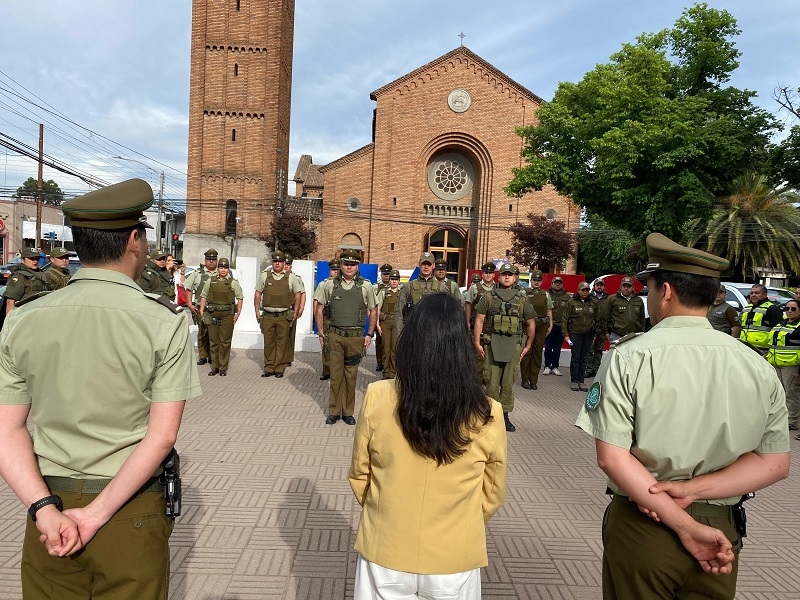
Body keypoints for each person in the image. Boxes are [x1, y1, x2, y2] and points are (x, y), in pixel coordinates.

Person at [0, 178, 201, 599]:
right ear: (134, 241)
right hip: (129, 508)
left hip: (48, 510)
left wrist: (42, 509)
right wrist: (94, 515)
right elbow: (162, 436)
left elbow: (7, 430)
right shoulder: (163, 322)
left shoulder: (22, 321)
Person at [576, 232, 790, 600]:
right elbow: (774, 463)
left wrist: (683, 524)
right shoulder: (756, 365)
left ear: (667, 292)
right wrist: (692, 492)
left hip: (647, 522)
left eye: (651, 288)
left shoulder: (630, 356)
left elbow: (612, 457)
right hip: (722, 532)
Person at [349, 292, 506, 600]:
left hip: (385, 549)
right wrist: (460, 523)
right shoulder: (488, 412)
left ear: (411, 340)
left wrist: (386, 513)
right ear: (461, 346)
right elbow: (492, 493)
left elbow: (360, 475)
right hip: (454, 555)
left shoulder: (377, 396)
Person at [314, 249, 377, 424]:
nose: (349, 267)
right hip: (335, 336)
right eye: (346, 264)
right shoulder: (328, 285)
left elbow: (373, 310)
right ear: (341, 265)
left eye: (353, 264)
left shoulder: (366, 286)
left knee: (351, 376)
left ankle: (348, 412)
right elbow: (318, 308)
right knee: (335, 376)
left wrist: (369, 334)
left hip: (356, 337)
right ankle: (334, 411)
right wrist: (321, 332)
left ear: (358, 266)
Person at [473, 263, 535, 432]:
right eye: (504, 274)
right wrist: (477, 341)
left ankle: (505, 416)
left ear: (515, 278)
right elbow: (479, 319)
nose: (507, 277)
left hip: (513, 345)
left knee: (507, 384)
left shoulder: (522, 298)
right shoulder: (488, 296)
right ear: (498, 277)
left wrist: (528, 345)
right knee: (491, 383)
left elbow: (530, 323)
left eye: (510, 274)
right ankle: (491, 415)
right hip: (492, 344)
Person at [255, 251, 302, 378]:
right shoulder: (264, 276)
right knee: (268, 342)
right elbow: (258, 293)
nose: (277, 264)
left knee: (282, 343)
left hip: (283, 316)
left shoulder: (291, 277)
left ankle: (279, 368)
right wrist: (256, 311)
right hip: (268, 316)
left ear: (283, 263)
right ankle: (269, 367)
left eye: (280, 262)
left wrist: (296, 311)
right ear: (272, 262)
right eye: (275, 261)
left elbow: (298, 294)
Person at [199, 257, 243, 376]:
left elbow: (240, 297)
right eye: (221, 267)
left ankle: (223, 367)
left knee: (225, 341)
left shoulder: (233, 282)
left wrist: (238, 313)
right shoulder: (210, 281)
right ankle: (215, 367)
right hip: (212, 313)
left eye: (226, 268)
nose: (223, 270)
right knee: (213, 341)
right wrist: (202, 311)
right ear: (218, 269)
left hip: (227, 315)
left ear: (228, 269)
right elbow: (203, 295)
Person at [766, 298, 800, 434]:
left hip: (791, 365)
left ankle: (792, 421)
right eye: (787, 309)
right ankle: (781, 419)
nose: (789, 311)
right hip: (776, 362)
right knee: (778, 393)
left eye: (793, 309)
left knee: (791, 393)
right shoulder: (781, 323)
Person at [396, 252, 448, 334]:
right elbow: (399, 313)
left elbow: (447, 315)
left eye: (429, 264)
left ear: (433, 266)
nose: (426, 267)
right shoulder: (408, 287)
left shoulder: (441, 288)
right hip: (413, 333)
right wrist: (400, 336)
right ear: (419, 264)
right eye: (424, 264)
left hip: (434, 333)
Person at [519, 269, 552, 390]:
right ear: (531, 280)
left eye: (538, 280)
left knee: (537, 353)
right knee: (527, 352)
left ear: (541, 281)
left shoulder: (545, 294)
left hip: (541, 325)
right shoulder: (524, 292)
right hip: (527, 325)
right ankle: (524, 379)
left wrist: (551, 324)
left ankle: (533, 380)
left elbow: (549, 310)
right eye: (534, 280)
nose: (536, 282)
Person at [563, 281, 599, 391]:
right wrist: (566, 335)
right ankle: (574, 381)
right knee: (575, 357)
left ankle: (581, 381)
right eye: (583, 290)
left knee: (584, 358)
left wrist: (595, 334)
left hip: (588, 334)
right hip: (575, 333)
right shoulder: (571, 302)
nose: (585, 292)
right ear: (578, 290)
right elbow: (565, 319)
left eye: (587, 290)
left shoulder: (594, 303)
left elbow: (597, 320)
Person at [185, 249, 218, 365]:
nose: (211, 262)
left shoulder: (222, 273)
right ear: (205, 260)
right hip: (201, 308)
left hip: (217, 308)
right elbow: (188, 288)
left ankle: (213, 356)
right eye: (209, 260)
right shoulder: (197, 273)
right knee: (202, 332)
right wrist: (189, 304)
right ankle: (203, 356)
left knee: (214, 334)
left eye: (214, 260)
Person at [464, 262, 496, 381]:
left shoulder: (497, 288)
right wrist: (467, 321)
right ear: (482, 274)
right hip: (477, 325)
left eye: (490, 273)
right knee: (477, 352)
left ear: (494, 274)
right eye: (486, 272)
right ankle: (477, 378)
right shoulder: (475, 287)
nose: (488, 275)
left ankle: (487, 378)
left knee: (490, 352)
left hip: (492, 325)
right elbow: (468, 305)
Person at [313, 258, 341, 381]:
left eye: (337, 269)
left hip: (340, 318)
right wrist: (317, 318)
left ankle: (337, 370)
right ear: (330, 270)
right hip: (327, 318)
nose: (335, 272)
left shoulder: (343, 283)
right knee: (326, 345)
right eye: (333, 269)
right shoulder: (323, 284)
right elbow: (317, 303)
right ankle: (327, 370)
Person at [598, 276, 646, 344]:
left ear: (633, 287)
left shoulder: (638, 300)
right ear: (620, 287)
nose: (626, 288)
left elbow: (642, 319)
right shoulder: (612, 299)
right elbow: (604, 317)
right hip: (617, 335)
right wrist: (606, 333)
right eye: (624, 286)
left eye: (629, 286)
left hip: (634, 336)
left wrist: (642, 333)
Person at [4, 248, 50, 313]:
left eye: (37, 259)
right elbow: (10, 302)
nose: (35, 261)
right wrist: (10, 322)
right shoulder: (20, 277)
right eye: (32, 259)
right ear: (23, 260)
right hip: (24, 315)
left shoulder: (41, 274)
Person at [739, 284, 784, 350]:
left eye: (757, 293)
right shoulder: (747, 308)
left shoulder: (772, 309)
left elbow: (778, 331)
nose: (753, 295)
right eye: (751, 293)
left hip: (762, 349)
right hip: (745, 346)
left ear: (764, 295)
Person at [375, 269, 401, 379]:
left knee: (395, 349)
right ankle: (386, 373)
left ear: (399, 280)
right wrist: (377, 324)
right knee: (386, 349)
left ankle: (393, 373)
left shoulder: (402, 292)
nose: (394, 281)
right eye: (392, 279)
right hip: (385, 323)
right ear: (389, 280)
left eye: (396, 279)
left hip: (397, 323)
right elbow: (378, 308)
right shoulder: (384, 291)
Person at [281, 256, 306, 368]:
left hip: (291, 310)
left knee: (290, 335)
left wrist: (301, 308)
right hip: (280, 309)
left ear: (291, 266)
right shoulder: (278, 278)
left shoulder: (296, 278)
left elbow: (302, 293)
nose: (286, 266)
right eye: (284, 264)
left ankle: (288, 358)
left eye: (288, 265)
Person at [543, 276, 569, 376]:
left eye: (559, 283)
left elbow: (568, 313)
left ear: (562, 284)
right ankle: (547, 366)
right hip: (550, 326)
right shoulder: (547, 295)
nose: (557, 284)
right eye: (555, 282)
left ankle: (555, 367)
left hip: (561, 326)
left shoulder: (567, 297)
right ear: (552, 284)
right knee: (548, 347)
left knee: (558, 348)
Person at [585, 278, 610, 378]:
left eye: (601, 285)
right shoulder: (589, 297)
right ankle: (589, 369)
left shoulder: (608, 298)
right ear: (594, 286)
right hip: (591, 328)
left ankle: (596, 369)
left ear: (604, 287)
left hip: (603, 328)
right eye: (597, 285)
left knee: (599, 350)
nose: (599, 287)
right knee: (590, 350)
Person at [373, 263, 393, 372]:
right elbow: (371, 304)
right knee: (380, 342)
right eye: (384, 273)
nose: (386, 275)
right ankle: (379, 362)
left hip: (390, 319)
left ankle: (389, 362)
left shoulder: (395, 287)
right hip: (378, 319)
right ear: (381, 274)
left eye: (388, 273)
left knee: (390, 342)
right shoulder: (375, 287)